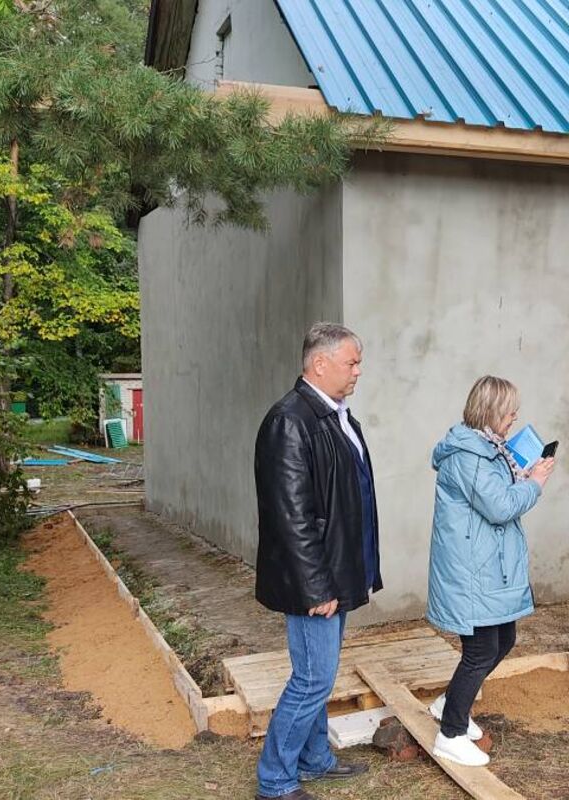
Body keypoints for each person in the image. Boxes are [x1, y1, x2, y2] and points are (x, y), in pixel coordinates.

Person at [252, 323, 381, 800]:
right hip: (315, 581)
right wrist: (316, 586)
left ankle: (313, 758)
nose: (358, 371)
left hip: (335, 571)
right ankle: (276, 780)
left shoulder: (334, 416)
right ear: (319, 364)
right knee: (312, 679)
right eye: (352, 362)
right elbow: (291, 517)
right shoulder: (290, 420)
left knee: (319, 675)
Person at [425, 375, 555, 766]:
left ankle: (452, 702)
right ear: (490, 411)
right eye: (509, 411)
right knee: (481, 651)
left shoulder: (488, 450)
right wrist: (534, 483)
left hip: (486, 567)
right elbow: (498, 507)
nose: (514, 417)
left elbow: (494, 496)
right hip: (473, 573)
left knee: (503, 641)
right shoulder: (469, 456)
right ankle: (450, 733)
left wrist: (519, 473)